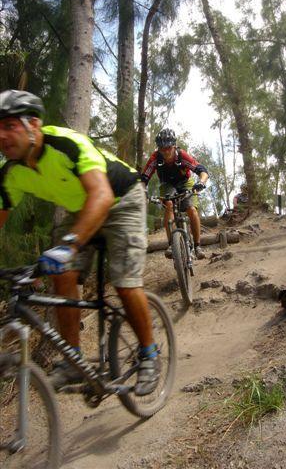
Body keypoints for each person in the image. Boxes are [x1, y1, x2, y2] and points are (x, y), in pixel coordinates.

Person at [0, 89, 159, 396]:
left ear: (34, 125)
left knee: (125, 282)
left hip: (121, 198)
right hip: (83, 208)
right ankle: (73, 360)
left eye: (10, 126)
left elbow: (102, 196)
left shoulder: (66, 144)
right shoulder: (11, 173)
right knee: (62, 275)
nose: (2, 136)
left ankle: (149, 355)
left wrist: (70, 245)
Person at [141, 128, 209, 260]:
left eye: (169, 148)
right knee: (169, 204)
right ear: (159, 148)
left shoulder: (182, 155)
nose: (166, 151)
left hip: (185, 183)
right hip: (167, 185)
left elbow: (202, 170)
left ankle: (197, 246)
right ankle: (172, 244)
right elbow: (144, 178)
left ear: (174, 146)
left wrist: (201, 182)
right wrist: (143, 191)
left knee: (191, 210)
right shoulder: (155, 158)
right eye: (162, 148)